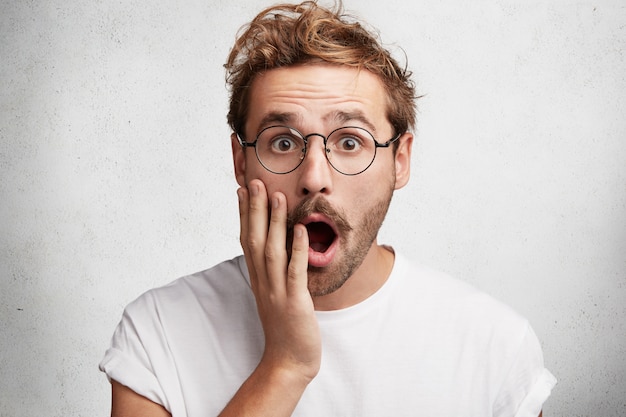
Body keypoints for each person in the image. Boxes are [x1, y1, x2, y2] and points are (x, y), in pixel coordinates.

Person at [99, 1, 557, 416]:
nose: (315, 177)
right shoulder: (158, 332)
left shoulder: (494, 347)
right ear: (241, 163)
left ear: (400, 161)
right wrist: (286, 365)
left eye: (350, 141)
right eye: (282, 142)